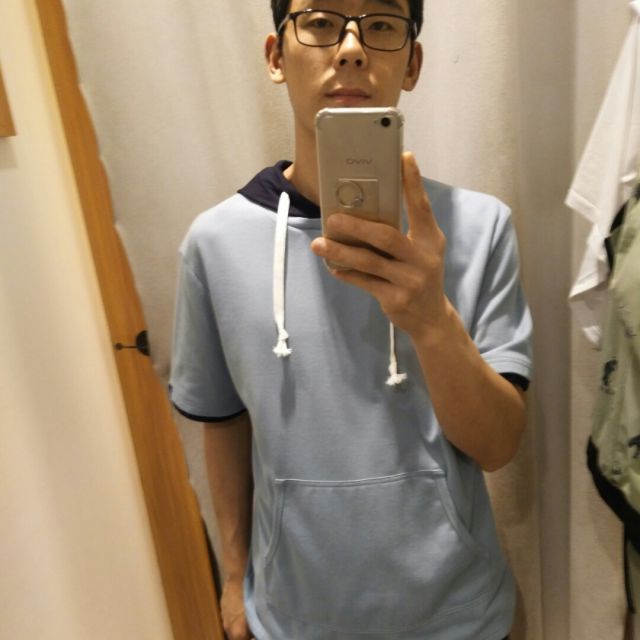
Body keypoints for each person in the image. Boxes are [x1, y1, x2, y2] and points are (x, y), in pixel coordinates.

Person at [169, 1, 533, 638]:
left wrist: (431, 321)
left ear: (412, 64)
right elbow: (223, 423)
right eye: (320, 22)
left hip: (459, 617)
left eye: (382, 26)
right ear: (276, 56)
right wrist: (233, 576)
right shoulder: (215, 244)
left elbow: (498, 447)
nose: (351, 48)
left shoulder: (480, 227)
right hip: (292, 618)